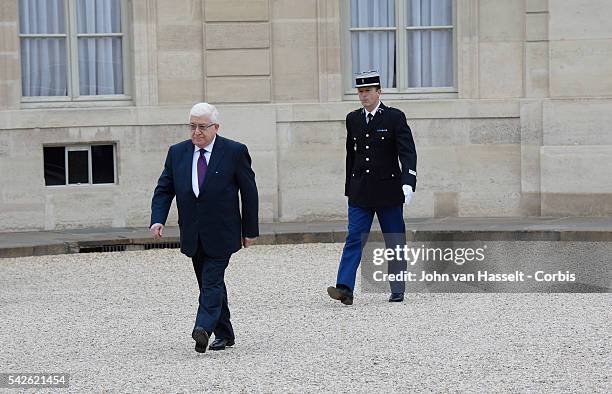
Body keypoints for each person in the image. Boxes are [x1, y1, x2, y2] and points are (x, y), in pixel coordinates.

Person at [150, 102, 259, 353]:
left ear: (216, 127)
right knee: (210, 283)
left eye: (202, 126)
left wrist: (249, 230)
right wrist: (158, 218)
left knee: (211, 281)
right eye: (192, 126)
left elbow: (249, 193)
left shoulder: (234, 151)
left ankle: (203, 328)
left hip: (223, 232)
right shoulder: (177, 152)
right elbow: (165, 189)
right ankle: (225, 333)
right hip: (193, 232)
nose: (196, 132)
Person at [327, 71, 417, 305]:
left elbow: (408, 152)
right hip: (361, 191)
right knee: (354, 238)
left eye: (368, 91)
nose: (364, 96)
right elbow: (351, 156)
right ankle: (344, 288)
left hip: (388, 190)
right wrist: (349, 187)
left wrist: (408, 182)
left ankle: (397, 288)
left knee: (394, 240)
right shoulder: (353, 118)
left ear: (379, 92)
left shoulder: (394, 117)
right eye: (360, 92)